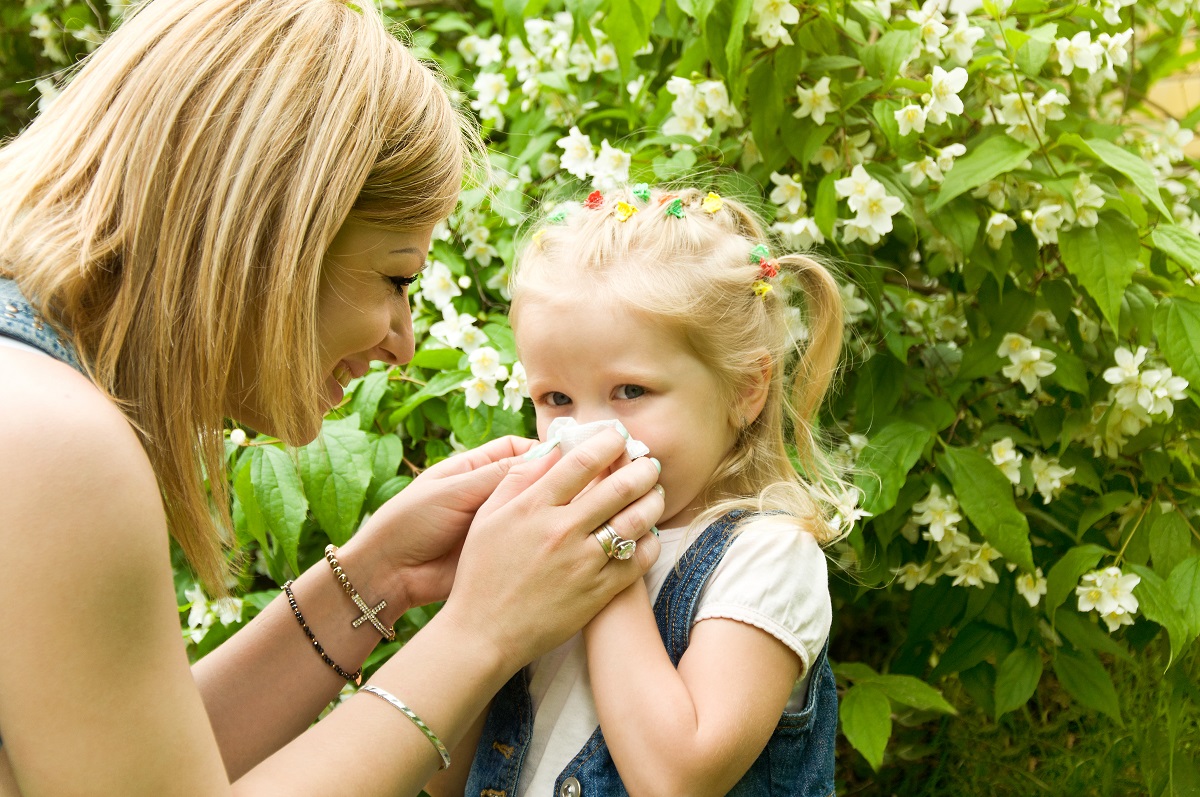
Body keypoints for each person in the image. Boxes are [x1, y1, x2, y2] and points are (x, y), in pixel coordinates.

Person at [0, 2, 663, 795]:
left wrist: (380, 574)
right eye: (396, 277)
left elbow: (140, 767)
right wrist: (484, 628)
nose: (402, 343)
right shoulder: (50, 439)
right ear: (275, 233)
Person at [426, 186, 849, 796]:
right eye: (557, 399)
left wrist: (607, 550)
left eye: (630, 391)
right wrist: (477, 594)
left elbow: (677, 779)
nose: (590, 434)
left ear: (744, 389)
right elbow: (446, 778)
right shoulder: (540, 552)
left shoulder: (767, 557)